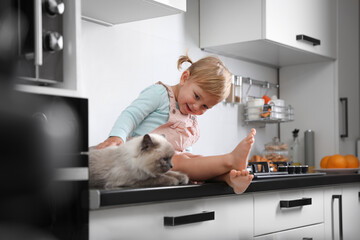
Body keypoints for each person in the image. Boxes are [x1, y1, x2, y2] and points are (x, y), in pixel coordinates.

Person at [96, 53, 256, 194]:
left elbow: (185, 148)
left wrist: (191, 159)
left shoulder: (190, 116)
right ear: (184, 78)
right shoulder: (159, 94)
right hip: (143, 160)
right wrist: (117, 136)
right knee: (179, 162)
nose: (196, 107)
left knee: (194, 159)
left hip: (169, 165)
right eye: (197, 97)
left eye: (205, 107)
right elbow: (131, 115)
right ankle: (230, 160)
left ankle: (229, 179)